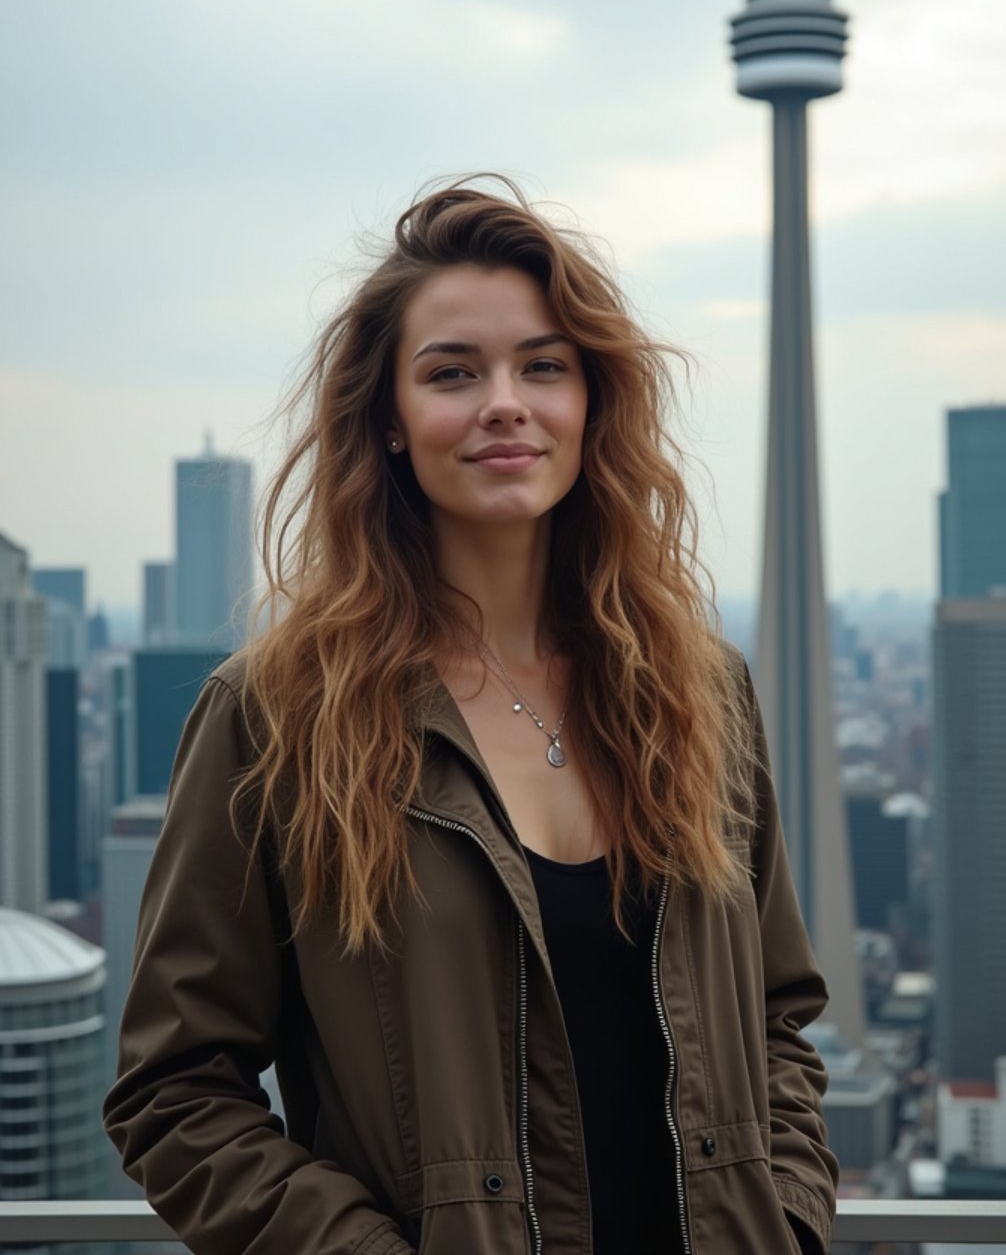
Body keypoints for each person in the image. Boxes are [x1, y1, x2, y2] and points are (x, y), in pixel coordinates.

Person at [103, 177, 838, 1255]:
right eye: (453, 373)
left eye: (544, 366)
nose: (505, 401)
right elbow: (173, 1088)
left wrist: (790, 1221)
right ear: (391, 423)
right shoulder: (280, 720)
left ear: (592, 405)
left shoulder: (698, 693)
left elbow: (777, 1016)